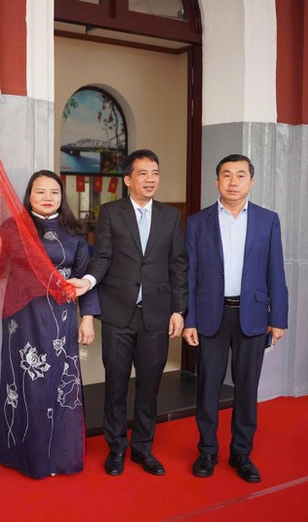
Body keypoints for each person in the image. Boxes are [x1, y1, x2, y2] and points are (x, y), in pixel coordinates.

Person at [69, 149, 188, 477]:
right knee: (116, 383)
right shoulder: (111, 212)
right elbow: (103, 256)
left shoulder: (169, 217)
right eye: (143, 173)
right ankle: (117, 447)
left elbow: (178, 264)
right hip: (119, 312)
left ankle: (143, 448)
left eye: (155, 173)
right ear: (127, 179)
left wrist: (179, 310)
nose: (151, 179)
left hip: (157, 314)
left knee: (150, 385)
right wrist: (89, 281)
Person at [0, 170, 100, 478]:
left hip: (61, 318)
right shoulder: (14, 227)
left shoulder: (74, 230)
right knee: (28, 386)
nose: (48, 197)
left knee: (62, 385)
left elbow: (85, 276)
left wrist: (87, 318)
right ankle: (28, 456)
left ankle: (61, 456)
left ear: (62, 197)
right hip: (22, 319)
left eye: (54, 192)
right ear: (29, 196)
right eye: (41, 192)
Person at [182, 154, 288, 483]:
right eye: (226, 175)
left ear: (251, 182)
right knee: (208, 388)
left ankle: (241, 453)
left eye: (240, 175)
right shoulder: (198, 222)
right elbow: (191, 274)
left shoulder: (267, 220)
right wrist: (190, 319)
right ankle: (207, 451)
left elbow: (276, 270)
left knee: (246, 389)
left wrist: (278, 318)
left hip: (253, 315)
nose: (233, 181)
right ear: (217, 181)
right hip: (211, 316)